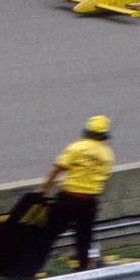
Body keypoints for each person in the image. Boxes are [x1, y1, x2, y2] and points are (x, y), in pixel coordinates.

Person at [36, 115, 114, 271]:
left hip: (67, 198)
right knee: (83, 239)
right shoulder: (108, 155)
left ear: (86, 131)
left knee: (48, 234)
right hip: (89, 202)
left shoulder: (76, 147)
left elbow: (58, 169)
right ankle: (82, 270)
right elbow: (103, 178)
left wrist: (43, 189)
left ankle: (33, 267)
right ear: (104, 135)